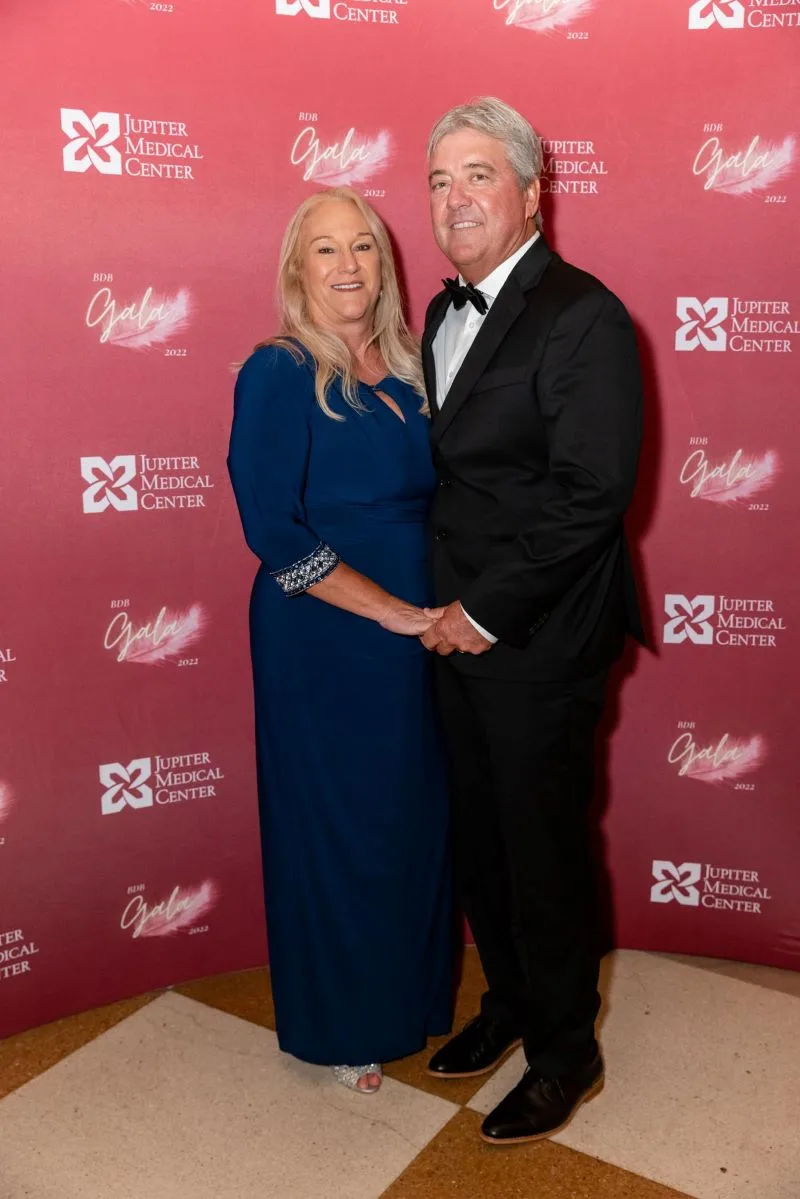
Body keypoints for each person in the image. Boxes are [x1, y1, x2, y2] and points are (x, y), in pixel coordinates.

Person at [420, 98, 643, 1143]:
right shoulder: (438, 315)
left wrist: (484, 610)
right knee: (481, 838)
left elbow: (590, 494)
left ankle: (565, 1050)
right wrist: (442, 613)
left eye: (477, 175)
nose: (455, 198)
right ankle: (508, 1001)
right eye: (438, 181)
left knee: (543, 849)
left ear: (529, 193)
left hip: (541, 638)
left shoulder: (584, 313)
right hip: (450, 632)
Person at [227, 187, 452, 1094]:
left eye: (362, 246)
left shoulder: (414, 370)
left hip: (420, 632)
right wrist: (391, 611)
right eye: (325, 249)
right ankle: (346, 1022)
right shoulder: (279, 370)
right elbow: (272, 530)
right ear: (297, 269)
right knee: (338, 823)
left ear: (384, 265)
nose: (348, 264)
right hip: (321, 637)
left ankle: (413, 998)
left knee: (409, 818)